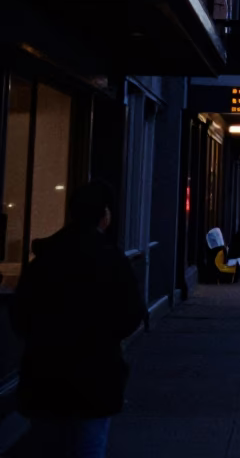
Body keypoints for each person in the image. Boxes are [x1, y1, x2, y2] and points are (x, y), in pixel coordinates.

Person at [9, 180, 145, 458]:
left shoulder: (44, 260)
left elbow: (20, 315)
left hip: (44, 377)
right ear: (104, 215)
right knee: (87, 447)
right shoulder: (112, 260)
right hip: (93, 380)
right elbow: (132, 314)